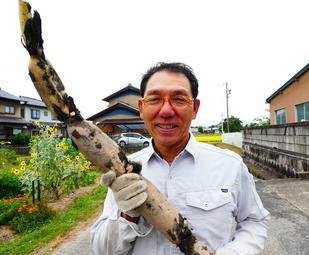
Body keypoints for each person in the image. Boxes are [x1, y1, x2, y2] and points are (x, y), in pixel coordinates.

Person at [90, 62, 270, 255]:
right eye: (154, 99)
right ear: (141, 108)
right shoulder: (125, 172)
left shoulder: (230, 165)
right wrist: (127, 215)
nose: (166, 111)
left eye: (179, 99)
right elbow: (104, 251)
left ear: (195, 108)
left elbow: (254, 221)